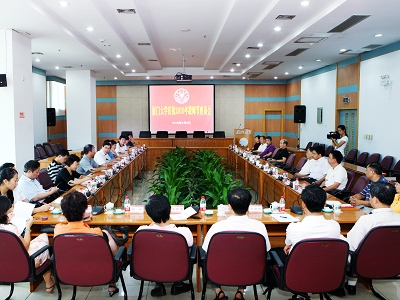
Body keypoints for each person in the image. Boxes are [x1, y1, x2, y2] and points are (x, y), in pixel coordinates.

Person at [202, 188, 270, 300]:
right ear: (249, 206)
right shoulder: (259, 227)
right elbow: (266, 250)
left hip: (219, 272)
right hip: (248, 272)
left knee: (206, 257)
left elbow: (206, 250)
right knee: (245, 258)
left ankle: (219, 292)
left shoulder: (217, 227)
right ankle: (240, 292)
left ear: (229, 206)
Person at [54, 191, 121, 296]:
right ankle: (112, 284)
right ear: (84, 211)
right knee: (112, 253)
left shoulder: (58, 230)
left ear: (63, 212)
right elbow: (114, 252)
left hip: (70, 273)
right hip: (99, 273)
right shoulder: (98, 233)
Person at [343, 182, 400, 296]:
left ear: (375, 200)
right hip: (392, 263)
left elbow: (352, 245)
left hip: (364, 263)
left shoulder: (366, 220)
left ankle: (350, 285)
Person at [136, 194, 193, 297]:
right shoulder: (184, 233)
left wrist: (152, 226)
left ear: (149, 215)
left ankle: (158, 286)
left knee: (156, 253)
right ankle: (178, 285)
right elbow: (190, 246)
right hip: (177, 270)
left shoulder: (140, 232)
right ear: (170, 210)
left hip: (151, 270)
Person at [0, 196, 55, 293]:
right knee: (44, 238)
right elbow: (25, 246)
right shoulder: (11, 229)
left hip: (4, 264)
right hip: (24, 263)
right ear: (5, 212)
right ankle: (49, 282)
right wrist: (28, 227)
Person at [284, 185, 342, 255]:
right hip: (328, 264)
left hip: (302, 265)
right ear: (324, 204)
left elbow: (288, 245)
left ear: (303, 205)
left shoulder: (293, 228)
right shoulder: (335, 226)